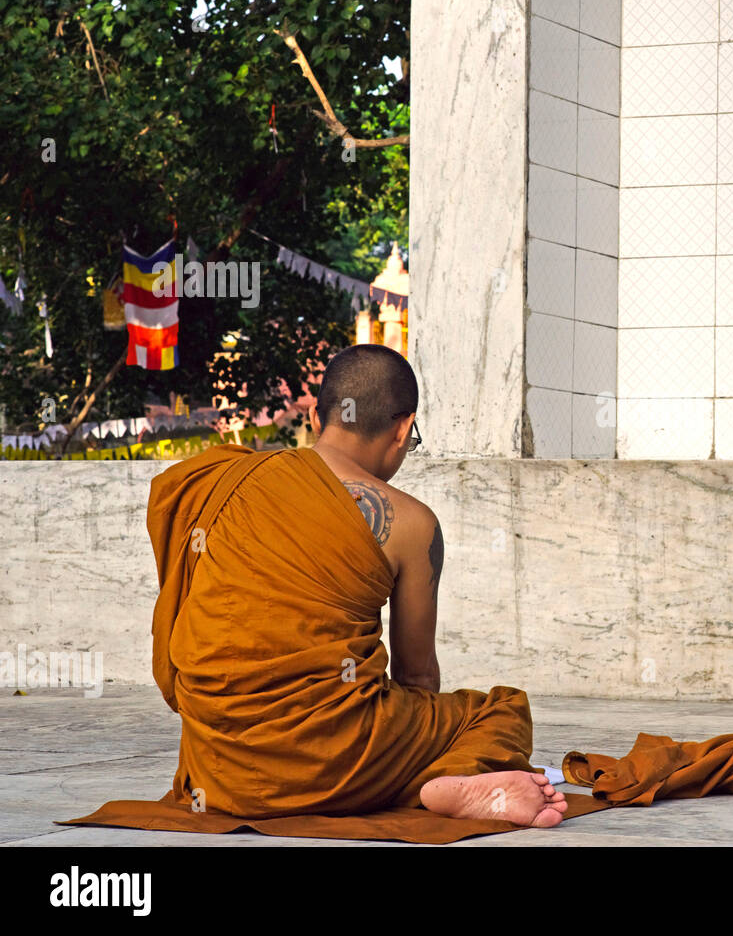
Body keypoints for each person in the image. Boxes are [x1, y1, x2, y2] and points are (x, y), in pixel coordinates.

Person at [147, 343, 566, 827]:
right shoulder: (412, 522)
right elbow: (418, 679)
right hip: (343, 764)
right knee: (498, 711)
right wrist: (409, 746)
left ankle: (418, 781)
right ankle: (434, 779)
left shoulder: (228, 482)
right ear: (404, 428)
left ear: (317, 415)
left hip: (221, 769)